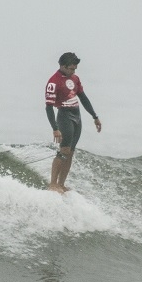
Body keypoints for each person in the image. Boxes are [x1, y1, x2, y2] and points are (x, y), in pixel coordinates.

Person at [44, 52, 102, 193]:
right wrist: (55, 128)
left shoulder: (75, 79)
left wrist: (95, 116)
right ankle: (53, 184)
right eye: (71, 68)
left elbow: (83, 98)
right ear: (62, 66)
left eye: (75, 69)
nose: (73, 71)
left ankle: (61, 184)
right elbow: (49, 107)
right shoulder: (53, 81)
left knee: (70, 152)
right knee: (64, 150)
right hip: (64, 116)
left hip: (77, 116)